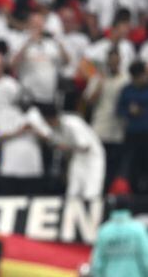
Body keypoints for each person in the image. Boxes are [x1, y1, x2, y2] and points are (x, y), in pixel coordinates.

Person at [85, 48, 128, 191]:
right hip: (100, 127)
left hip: (118, 129)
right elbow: (89, 101)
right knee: (98, 163)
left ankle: (110, 192)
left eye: (116, 61)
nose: (114, 63)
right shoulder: (97, 78)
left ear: (120, 61)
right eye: (111, 61)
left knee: (114, 165)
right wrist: (100, 83)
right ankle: (96, 191)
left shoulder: (125, 79)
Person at [42, 106, 105, 199]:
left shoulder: (72, 123)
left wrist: (65, 147)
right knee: (73, 191)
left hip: (92, 157)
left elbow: (85, 147)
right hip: (77, 157)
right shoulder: (54, 128)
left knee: (91, 191)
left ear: (52, 118)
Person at [91, 196, 148, 277]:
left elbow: (97, 264)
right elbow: (146, 258)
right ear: (129, 208)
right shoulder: (138, 229)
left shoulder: (104, 231)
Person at [117, 61, 148, 194]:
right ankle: (134, 193)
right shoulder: (126, 90)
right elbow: (119, 110)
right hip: (132, 133)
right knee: (133, 165)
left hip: (147, 133)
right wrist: (130, 111)